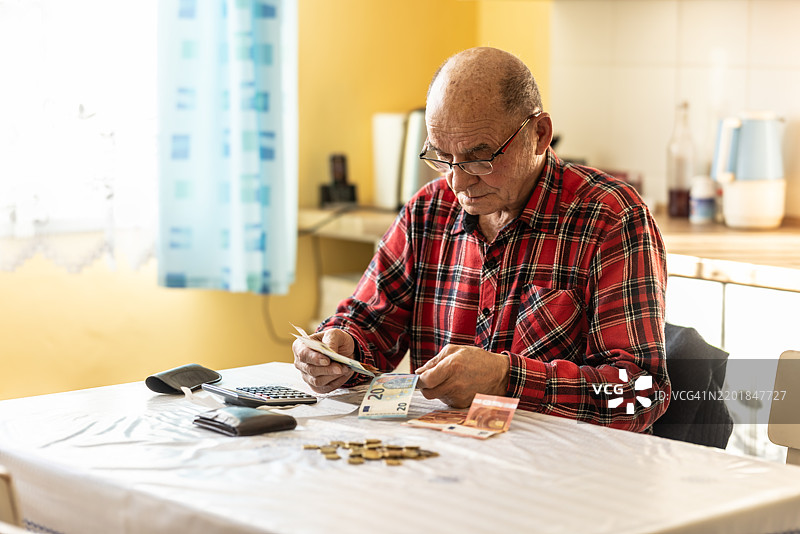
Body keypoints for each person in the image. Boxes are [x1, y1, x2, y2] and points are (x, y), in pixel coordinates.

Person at [293, 47, 670, 432]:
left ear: (539, 135)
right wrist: (336, 349)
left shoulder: (611, 219)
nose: (457, 182)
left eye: (479, 158)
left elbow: (641, 394)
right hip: (444, 462)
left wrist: (506, 379)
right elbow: (368, 324)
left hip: (564, 474)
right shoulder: (429, 211)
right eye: (442, 156)